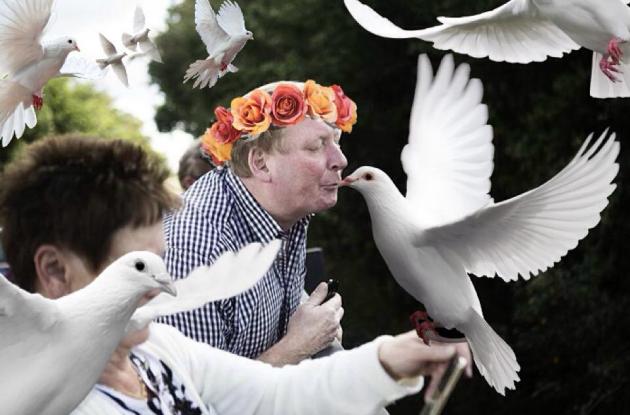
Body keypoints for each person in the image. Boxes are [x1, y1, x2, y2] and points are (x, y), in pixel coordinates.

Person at [0, 135, 461, 414]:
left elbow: (274, 397)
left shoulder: (156, 350)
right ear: (56, 271)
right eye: (137, 264)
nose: (167, 288)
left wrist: (392, 356)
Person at [161, 80, 355, 364]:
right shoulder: (195, 250)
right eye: (316, 146)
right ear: (261, 164)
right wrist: (297, 347)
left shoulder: (280, 211)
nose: (341, 160)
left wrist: (314, 324)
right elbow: (194, 402)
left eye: (336, 143)